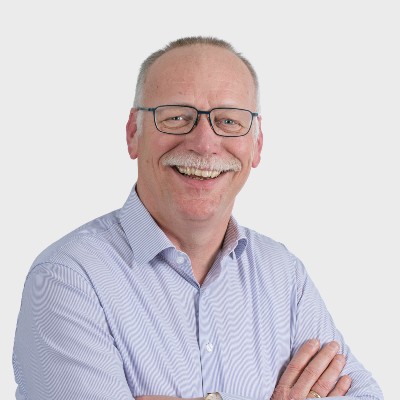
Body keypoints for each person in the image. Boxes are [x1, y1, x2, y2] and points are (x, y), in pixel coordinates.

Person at [12, 37, 383, 400]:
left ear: (256, 145)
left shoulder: (284, 276)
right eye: (176, 117)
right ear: (133, 134)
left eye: (229, 121)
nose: (205, 144)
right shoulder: (68, 278)